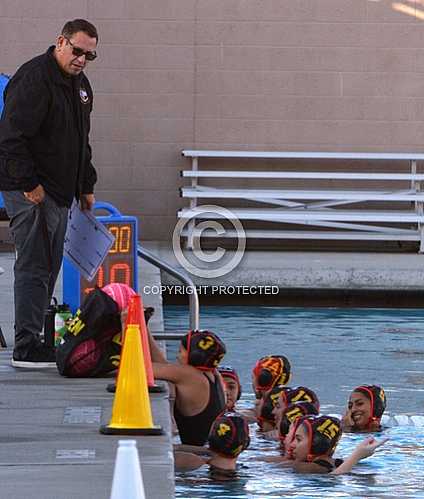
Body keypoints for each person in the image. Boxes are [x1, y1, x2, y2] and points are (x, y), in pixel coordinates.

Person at [0, 19, 99, 368]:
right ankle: (26, 346)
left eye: (89, 55)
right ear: (61, 42)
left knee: (50, 264)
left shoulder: (80, 85)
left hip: (59, 193)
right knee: (33, 265)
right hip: (31, 191)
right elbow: (10, 138)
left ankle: (40, 335)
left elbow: (80, 140)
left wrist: (86, 184)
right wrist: (29, 184)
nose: (82, 60)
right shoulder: (34, 79)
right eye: (77, 51)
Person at [148, 328, 226, 446]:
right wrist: (145, 330)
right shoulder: (215, 375)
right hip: (209, 451)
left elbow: (141, 368)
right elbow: (166, 367)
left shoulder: (190, 375)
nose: (177, 356)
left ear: (193, 355)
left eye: (180, 351)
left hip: (196, 456)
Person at [174, 412, 250, 473]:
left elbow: (167, 451)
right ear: (246, 444)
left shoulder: (193, 462)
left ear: (211, 439)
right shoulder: (244, 469)